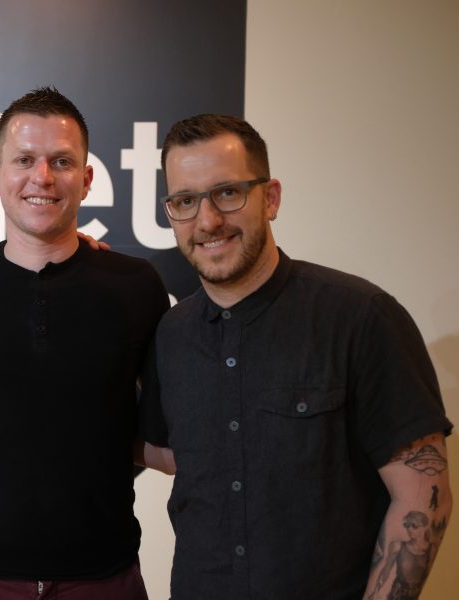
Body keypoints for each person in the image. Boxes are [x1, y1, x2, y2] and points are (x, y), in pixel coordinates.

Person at [138, 113, 453, 599]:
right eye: (185, 201)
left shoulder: (361, 317)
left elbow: (422, 499)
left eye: (227, 192)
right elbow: (178, 455)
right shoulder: (169, 335)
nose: (207, 221)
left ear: (272, 198)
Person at [0, 86, 170, 599]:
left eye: (61, 161)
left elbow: (163, 429)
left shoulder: (137, 285)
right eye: (24, 160)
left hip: (103, 574)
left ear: (85, 180)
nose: (42, 177)